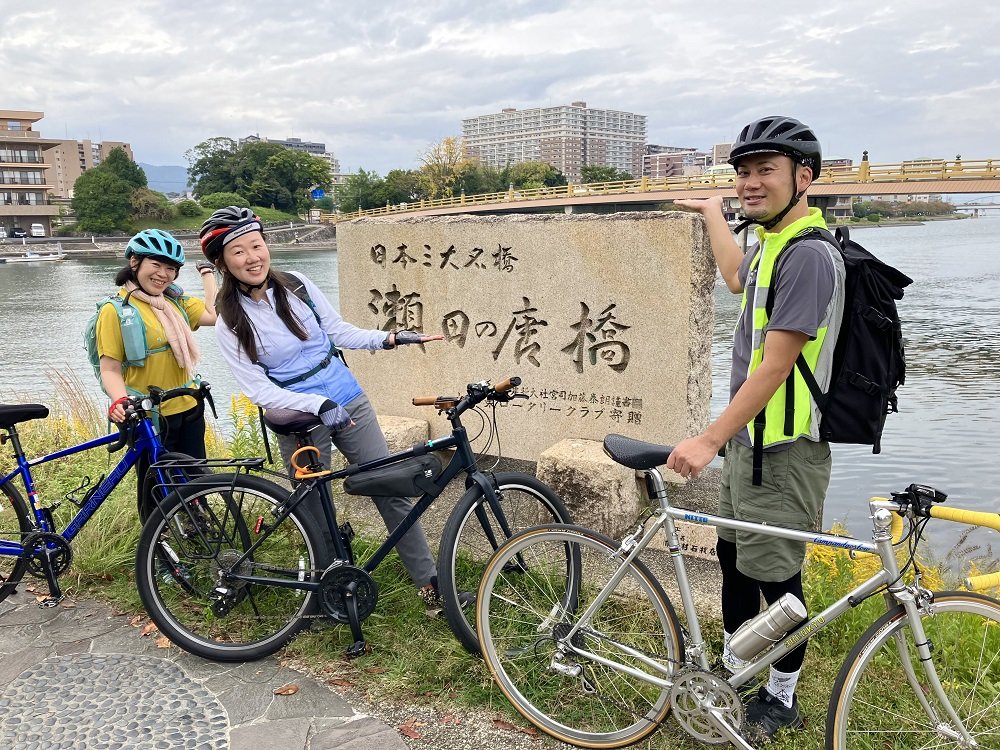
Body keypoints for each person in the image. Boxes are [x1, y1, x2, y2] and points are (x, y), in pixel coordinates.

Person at [669, 116, 846, 739]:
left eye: (765, 170)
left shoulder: (811, 256)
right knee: (734, 559)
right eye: (742, 172)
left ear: (805, 177)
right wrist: (712, 212)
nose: (750, 182)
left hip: (786, 449)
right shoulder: (773, 244)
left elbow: (777, 365)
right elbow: (735, 277)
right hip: (751, 443)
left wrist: (708, 437)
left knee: (780, 578)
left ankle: (782, 693)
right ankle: (735, 672)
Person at [199, 206, 463, 613]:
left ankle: (432, 588)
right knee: (314, 509)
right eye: (239, 252)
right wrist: (317, 404)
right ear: (221, 262)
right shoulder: (229, 323)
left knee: (389, 488)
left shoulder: (297, 286)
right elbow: (259, 390)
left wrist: (390, 338)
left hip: (350, 398)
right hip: (302, 421)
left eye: (257, 245)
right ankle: (328, 596)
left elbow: (338, 332)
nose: (252, 257)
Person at [97, 228, 218, 519]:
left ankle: (199, 540)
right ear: (135, 262)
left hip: (188, 407)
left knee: (197, 482)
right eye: (156, 265)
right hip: (149, 416)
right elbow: (110, 369)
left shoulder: (174, 302)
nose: (163, 274)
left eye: (171, 269)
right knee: (154, 488)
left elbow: (213, 315)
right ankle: (160, 558)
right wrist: (119, 401)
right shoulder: (116, 311)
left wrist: (208, 273)